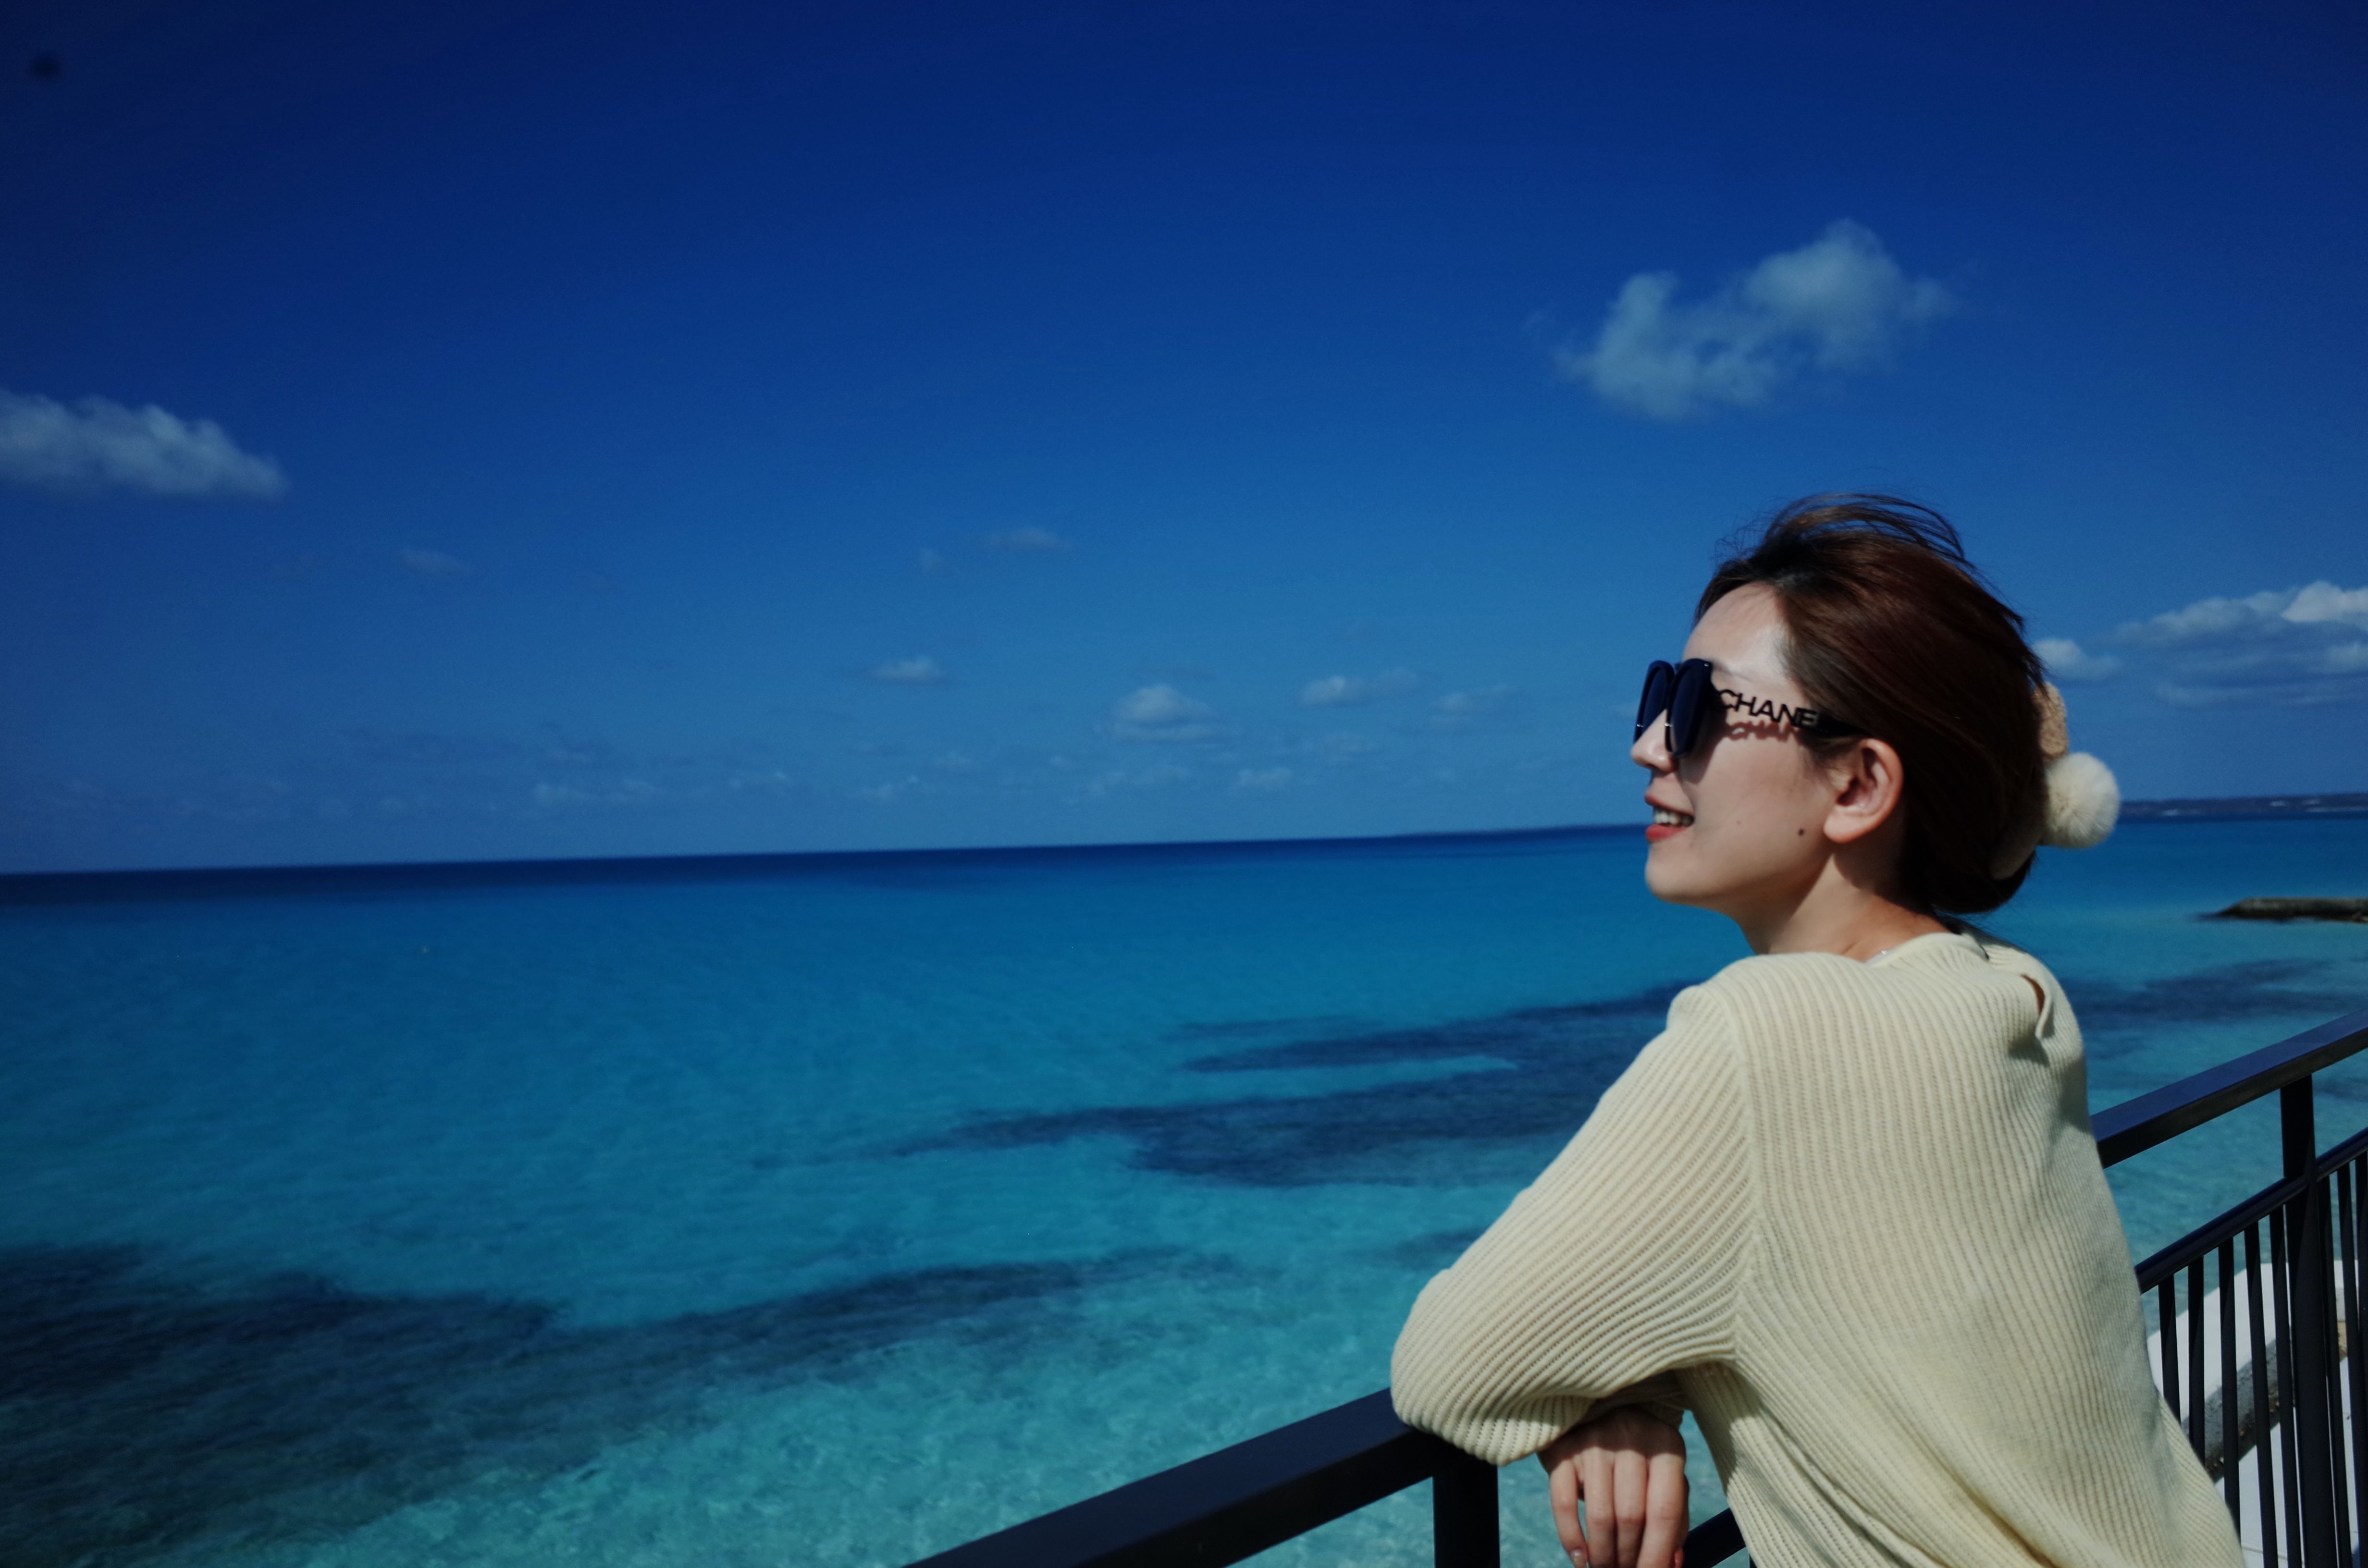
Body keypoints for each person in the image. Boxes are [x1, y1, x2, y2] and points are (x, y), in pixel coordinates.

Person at [1389, 497, 2241, 1568]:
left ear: (1857, 783)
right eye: (1660, 694)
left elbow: (1455, 1363)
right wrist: (1641, 1376)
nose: (1648, 745)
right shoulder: (2011, 990)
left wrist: (1625, 1394)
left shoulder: (1763, 1035)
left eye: (1699, 707)